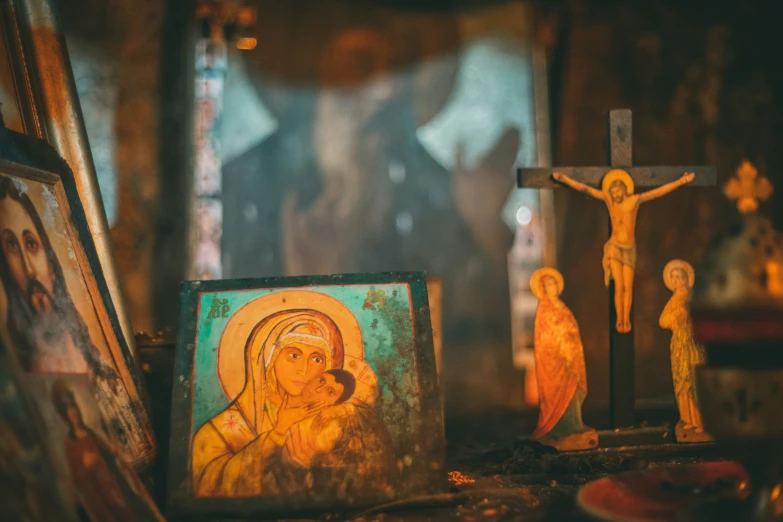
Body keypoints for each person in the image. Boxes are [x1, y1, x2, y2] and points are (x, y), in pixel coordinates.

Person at [0, 176, 147, 460]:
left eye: (31, 244)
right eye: (11, 247)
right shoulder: (18, 385)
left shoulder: (101, 371)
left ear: (51, 261)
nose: (30, 270)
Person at [191, 309, 393, 498]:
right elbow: (208, 487)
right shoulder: (221, 430)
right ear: (267, 359)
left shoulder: (334, 425)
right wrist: (277, 434)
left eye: (316, 359)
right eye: (293, 355)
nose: (303, 370)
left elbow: (361, 485)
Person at [552, 169, 694, 333]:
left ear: (625, 189)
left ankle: (627, 318)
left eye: (618, 190)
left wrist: (681, 182)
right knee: (619, 286)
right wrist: (564, 179)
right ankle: (620, 320)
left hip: (629, 249)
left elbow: (657, 192)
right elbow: (585, 189)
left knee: (628, 287)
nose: (615, 193)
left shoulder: (634, 200)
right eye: (612, 191)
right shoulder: (609, 201)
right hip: (614, 248)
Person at [50, 380, 162, 522]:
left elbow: (108, 453)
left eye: (74, 407)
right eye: (69, 410)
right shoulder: (71, 444)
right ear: (64, 415)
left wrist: (112, 452)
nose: (74, 414)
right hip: (105, 499)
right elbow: (80, 482)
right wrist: (87, 467)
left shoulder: (89, 433)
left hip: (118, 488)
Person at [530, 268, 593, 445]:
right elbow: (545, 338)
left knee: (573, 391)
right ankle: (560, 428)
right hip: (556, 361)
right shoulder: (545, 309)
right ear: (542, 288)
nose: (552, 286)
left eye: (554, 283)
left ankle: (575, 424)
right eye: (548, 284)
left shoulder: (561, 306)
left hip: (570, 357)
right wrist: (561, 342)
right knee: (561, 393)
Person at [659, 260, 707, 433]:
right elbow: (663, 320)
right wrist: (674, 319)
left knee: (692, 379)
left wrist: (683, 316)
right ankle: (688, 419)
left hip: (691, 343)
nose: (675, 281)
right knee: (681, 381)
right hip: (678, 344)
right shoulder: (674, 299)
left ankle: (701, 421)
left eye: (678, 277)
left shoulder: (690, 297)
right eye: (672, 277)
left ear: (686, 279)